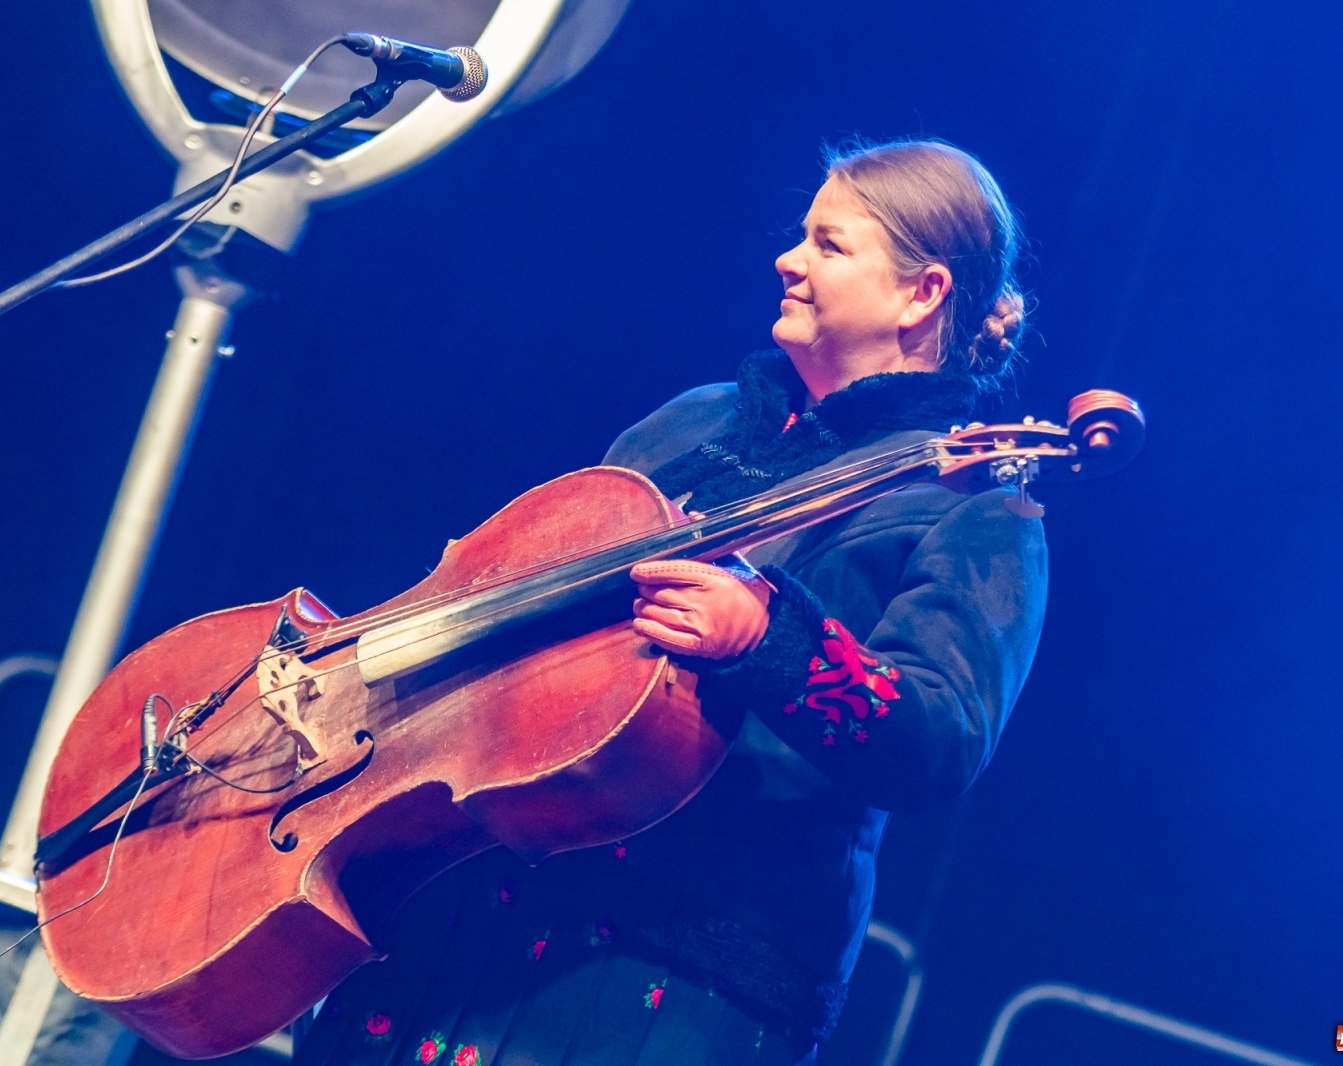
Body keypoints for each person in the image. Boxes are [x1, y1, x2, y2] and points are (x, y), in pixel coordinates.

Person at [293, 137, 1047, 1066]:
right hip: (473, 894)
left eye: (828, 245)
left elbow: (938, 740)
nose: (789, 260)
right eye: (800, 239)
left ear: (921, 293)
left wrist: (771, 639)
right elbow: (513, 592)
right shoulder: (692, 422)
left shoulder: (974, 508)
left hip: (670, 969)